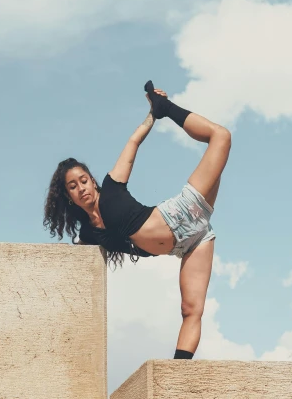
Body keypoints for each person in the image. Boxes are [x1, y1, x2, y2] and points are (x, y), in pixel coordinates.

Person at [43, 81, 231, 359]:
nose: (81, 187)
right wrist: (61, 254)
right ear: (68, 196)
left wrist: (153, 115)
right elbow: (79, 257)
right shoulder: (90, 234)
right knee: (191, 310)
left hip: (183, 211)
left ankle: (166, 107)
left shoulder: (112, 188)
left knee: (221, 137)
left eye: (84, 180)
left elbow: (133, 143)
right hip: (193, 243)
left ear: (93, 181)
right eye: (73, 186)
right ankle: (176, 378)